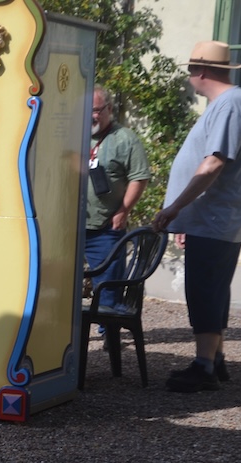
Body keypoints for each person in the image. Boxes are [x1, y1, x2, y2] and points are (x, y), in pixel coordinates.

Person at [153, 41, 241, 392]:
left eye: (191, 70)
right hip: (210, 219)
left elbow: (214, 162)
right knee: (212, 289)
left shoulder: (230, 104)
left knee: (204, 290)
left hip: (214, 219)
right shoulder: (226, 104)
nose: (189, 76)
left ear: (201, 71)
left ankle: (204, 367)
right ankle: (215, 360)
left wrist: (176, 207)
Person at [84, 86, 151, 316]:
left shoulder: (125, 139)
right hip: (71, 227)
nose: (90, 116)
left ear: (109, 109)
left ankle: (108, 331)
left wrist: (123, 211)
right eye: (85, 110)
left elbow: (139, 177)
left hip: (106, 228)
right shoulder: (72, 136)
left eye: (95, 110)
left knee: (108, 288)